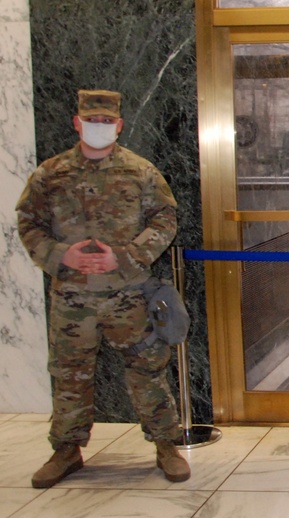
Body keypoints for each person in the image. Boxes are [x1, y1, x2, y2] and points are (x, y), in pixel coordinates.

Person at [16, 89, 190, 488]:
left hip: (126, 293)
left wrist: (125, 257)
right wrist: (61, 255)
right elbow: (28, 223)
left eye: (106, 122)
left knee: (147, 370)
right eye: (91, 121)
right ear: (77, 123)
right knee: (69, 373)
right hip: (73, 296)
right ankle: (66, 449)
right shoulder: (50, 174)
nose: (99, 128)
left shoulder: (141, 172)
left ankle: (166, 444)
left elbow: (165, 220)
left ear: (119, 125)